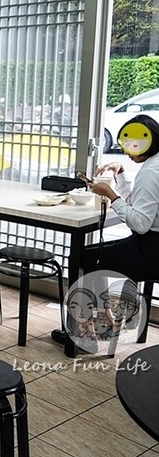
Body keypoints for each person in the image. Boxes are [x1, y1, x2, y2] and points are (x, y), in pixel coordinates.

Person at [52, 114, 159, 347]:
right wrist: (120, 175)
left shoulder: (151, 172)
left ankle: (85, 332)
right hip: (152, 245)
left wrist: (110, 195)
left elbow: (140, 223)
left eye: (133, 144)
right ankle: (107, 321)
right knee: (93, 256)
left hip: (151, 252)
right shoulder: (155, 165)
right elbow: (140, 205)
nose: (127, 151)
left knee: (83, 257)